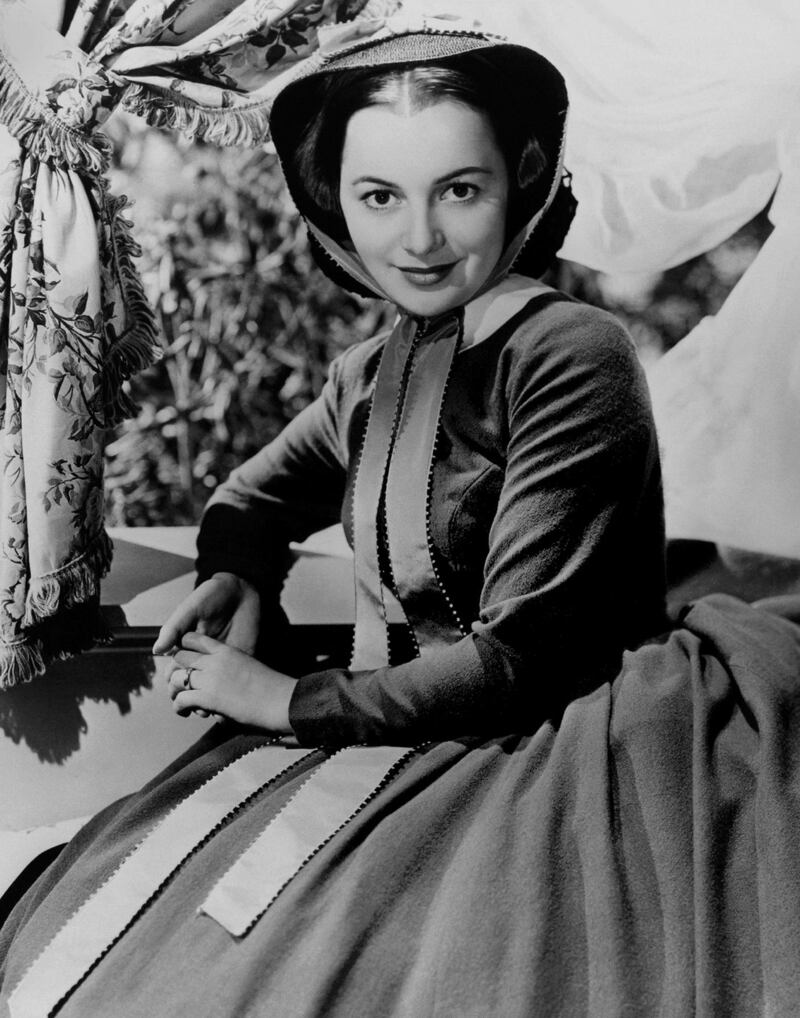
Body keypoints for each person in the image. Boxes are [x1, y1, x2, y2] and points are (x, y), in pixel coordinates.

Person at [2, 20, 800, 1018]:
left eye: (456, 191)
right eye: (379, 197)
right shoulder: (373, 369)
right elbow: (250, 497)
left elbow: (522, 661)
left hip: (560, 732)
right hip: (397, 719)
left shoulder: (570, 353)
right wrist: (235, 572)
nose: (416, 240)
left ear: (519, 181)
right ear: (337, 202)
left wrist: (285, 703)